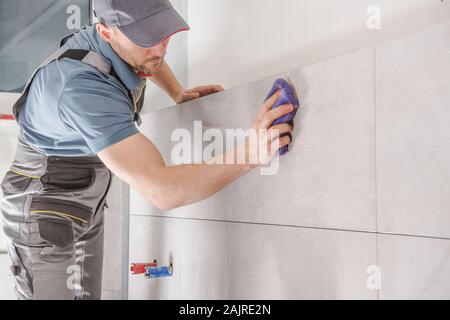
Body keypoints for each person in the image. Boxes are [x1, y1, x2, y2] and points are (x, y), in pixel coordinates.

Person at [0, 0, 294, 299]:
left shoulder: (121, 43)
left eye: (162, 33)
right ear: (105, 33)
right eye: (145, 38)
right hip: (43, 208)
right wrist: (248, 154)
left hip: (83, 197)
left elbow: (150, 57)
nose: (159, 48)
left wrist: (176, 90)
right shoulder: (83, 88)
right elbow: (162, 190)